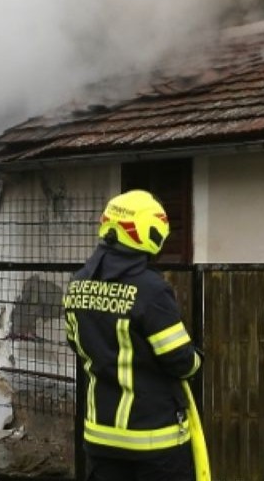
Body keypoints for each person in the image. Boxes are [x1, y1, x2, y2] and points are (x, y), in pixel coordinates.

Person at [63, 191, 203, 481]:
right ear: (149, 234)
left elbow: (76, 344)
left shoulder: (77, 285)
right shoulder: (151, 290)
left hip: (100, 438)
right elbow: (180, 361)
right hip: (155, 440)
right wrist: (197, 359)